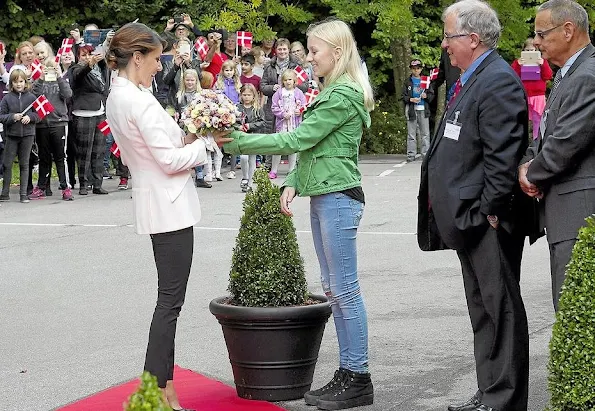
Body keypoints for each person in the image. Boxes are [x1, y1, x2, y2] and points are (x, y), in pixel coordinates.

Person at [223, 18, 374, 410]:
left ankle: (357, 376)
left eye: (314, 51)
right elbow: (315, 150)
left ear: (336, 53)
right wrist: (292, 181)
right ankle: (348, 372)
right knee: (334, 290)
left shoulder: (341, 95)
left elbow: (297, 138)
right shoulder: (334, 90)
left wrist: (238, 140)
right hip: (327, 195)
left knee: (344, 290)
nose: (308, 58)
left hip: (339, 197)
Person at [105, 22, 230, 411]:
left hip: (159, 201)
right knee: (170, 303)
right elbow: (169, 160)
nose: (161, 66)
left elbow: (159, 147)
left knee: (169, 301)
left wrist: (189, 134)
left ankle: (161, 388)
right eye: (157, 59)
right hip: (168, 205)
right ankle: (157, 391)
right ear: (137, 57)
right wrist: (206, 143)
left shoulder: (124, 95)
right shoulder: (137, 101)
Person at [417, 1, 532, 410]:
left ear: (473, 38)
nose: (444, 44)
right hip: (471, 218)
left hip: (487, 220)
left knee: (500, 310)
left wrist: (489, 211)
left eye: (449, 36)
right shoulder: (472, 77)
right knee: (483, 309)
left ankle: (503, 398)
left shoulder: (497, 80)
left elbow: (502, 157)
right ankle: (489, 392)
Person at [518, 0, 595, 311]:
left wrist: (531, 173)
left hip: (579, 213)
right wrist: (529, 162)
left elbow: (567, 142)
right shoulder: (569, 73)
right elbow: (548, 131)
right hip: (567, 211)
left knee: (574, 311)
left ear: (567, 30)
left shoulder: (588, 75)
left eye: (541, 33)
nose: (536, 42)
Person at [30, 61, 74, 200]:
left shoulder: (61, 81)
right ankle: (41, 186)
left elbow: (68, 94)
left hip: (59, 123)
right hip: (42, 124)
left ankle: (65, 187)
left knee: (61, 157)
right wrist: (41, 78)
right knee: (43, 157)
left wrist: (59, 76)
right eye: (48, 69)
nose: (50, 71)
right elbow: (33, 95)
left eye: (53, 69)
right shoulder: (39, 81)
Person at [70, 44, 110, 195]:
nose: (87, 57)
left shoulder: (100, 68)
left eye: (89, 54)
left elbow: (104, 86)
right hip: (84, 113)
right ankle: (83, 184)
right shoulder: (75, 69)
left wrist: (100, 62)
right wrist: (89, 64)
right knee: (84, 152)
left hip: (100, 112)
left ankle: (97, 184)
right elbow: (79, 75)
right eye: (83, 55)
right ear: (78, 57)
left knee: (99, 150)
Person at [0, 69, 41, 203]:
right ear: (11, 83)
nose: (19, 84)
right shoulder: (6, 98)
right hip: (11, 136)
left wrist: (30, 117)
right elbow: (1, 116)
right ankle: (4, 193)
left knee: (25, 164)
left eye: (21, 81)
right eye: (15, 82)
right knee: (7, 164)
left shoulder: (31, 97)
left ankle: (23, 194)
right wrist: (12, 117)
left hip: (27, 135)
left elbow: (39, 115)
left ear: (25, 82)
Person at [511, 38, 553, 140]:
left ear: (537, 51)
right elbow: (512, 76)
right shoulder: (518, 62)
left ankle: (536, 140)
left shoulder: (542, 62)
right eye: (527, 50)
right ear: (523, 51)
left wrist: (542, 64)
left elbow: (548, 76)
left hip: (538, 96)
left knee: (537, 119)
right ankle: (521, 140)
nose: (530, 53)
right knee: (522, 119)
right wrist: (518, 65)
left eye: (532, 50)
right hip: (523, 95)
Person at [269, 68, 305, 179]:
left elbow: (304, 105)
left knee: (293, 147)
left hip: (294, 124)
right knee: (279, 146)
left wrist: (300, 111)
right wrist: (282, 114)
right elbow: (274, 107)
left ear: (294, 80)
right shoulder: (279, 93)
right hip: (282, 124)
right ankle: (274, 169)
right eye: (285, 80)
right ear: (282, 81)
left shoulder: (298, 93)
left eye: (290, 79)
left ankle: (292, 170)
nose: (288, 82)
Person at [401, 59, 433, 162]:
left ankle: (425, 155)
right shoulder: (407, 82)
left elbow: (431, 95)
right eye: (414, 69)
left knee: (425, 133)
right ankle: (411, 155)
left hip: (423, 109)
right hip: (411, 110)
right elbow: (403, 96)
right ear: (411, 69)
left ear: (421, 69)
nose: (416, 71)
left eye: (418, 68)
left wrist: (426, 95)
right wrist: (410, 99)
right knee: (411, 133)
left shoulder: (426, 81)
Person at [236, 83, 265, 192]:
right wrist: (238, 126)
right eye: (244, 95)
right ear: (241, 95)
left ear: (254, 96)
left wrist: (251, 125)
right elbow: (232, 120)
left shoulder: (257, 108)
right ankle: (245, 177)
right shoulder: (237, 108)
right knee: (244, 157)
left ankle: (250, 182)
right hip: (242, 136)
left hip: (253, 136)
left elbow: (262, 122)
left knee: (252, 159)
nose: (246, 97)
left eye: (249, 95)